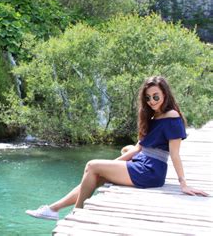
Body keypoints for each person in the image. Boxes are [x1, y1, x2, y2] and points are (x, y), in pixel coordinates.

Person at [26, 76, 209, 221]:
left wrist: (183, 183)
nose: (151, 101)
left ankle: (76, 214)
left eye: (155, 97)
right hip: (143, 163)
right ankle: (53, 209)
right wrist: (110, 164)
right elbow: (137, 149)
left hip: (151, 171)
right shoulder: (153, 117)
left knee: (92, 165)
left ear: (165, 95)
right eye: (148, 98)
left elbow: (175, 154)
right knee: (98, 170)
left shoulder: (172, 116)